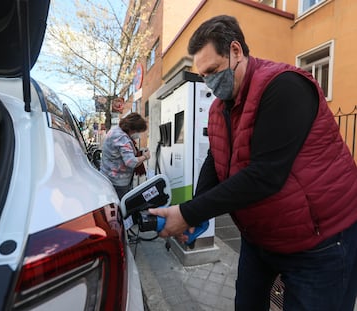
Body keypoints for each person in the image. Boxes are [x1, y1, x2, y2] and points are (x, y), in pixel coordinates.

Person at [149, 15, 357, 311]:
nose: (208, 81)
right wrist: (197, 209)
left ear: (236, 51)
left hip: (319, 242)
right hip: (259, 236)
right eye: (203, 74)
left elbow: (264, 176)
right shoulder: (220, 107)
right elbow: (216, 157)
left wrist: (185, 212)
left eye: (213, 70)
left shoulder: (284, 86)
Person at [100, 112, 151, 200]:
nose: (138, 135)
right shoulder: (122, 138)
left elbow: (120, 153)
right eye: (138, 131)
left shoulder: (114, 130)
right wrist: (145, 156)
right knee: (121, 207)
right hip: (118, 182)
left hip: (107, 176)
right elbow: (131, 162)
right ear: (132, 129)